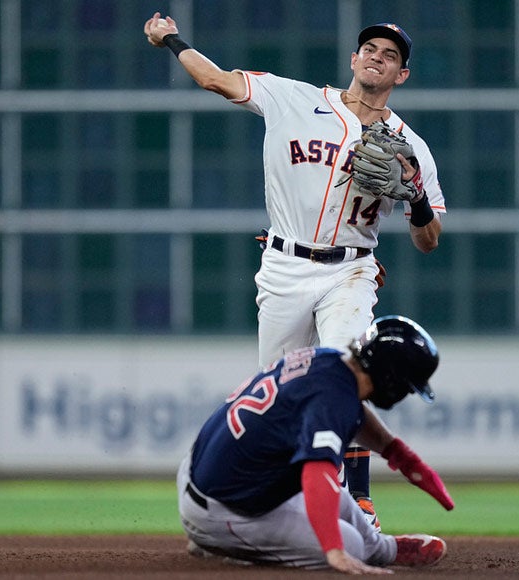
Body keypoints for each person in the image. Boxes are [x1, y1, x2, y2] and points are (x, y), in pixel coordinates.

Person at [145, 13, 447, 529]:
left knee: (344, 367)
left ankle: (360, 503)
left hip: (350, 272)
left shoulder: (410, 147)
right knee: (280, 394)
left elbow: (428, 240)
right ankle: (269, 501)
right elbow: (214, 79)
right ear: (354, 59)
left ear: (402, 76)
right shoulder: (293, 98)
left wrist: (416, 197)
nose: (377, 56)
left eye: (391, 55)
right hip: (284, 266)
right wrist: (170, 39)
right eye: (370, 48)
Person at [176, 315, 455, 573]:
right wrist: (334, 552)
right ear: (390, 376)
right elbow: (316, 471)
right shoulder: (334, 399)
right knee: (350, 546)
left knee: (342, 501)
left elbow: (351, 411)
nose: (405, 392)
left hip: (208, 475)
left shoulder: (330, 361)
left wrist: (399, 455)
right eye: (408, 385)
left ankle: (383, 549)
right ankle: (221, 543)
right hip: (220, 509)